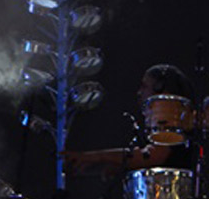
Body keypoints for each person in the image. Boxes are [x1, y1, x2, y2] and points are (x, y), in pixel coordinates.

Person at [64, 64, 194, 175]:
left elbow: (152, 155)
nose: (139, 92)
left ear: (160, 89)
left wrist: (96, 157)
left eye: (144, 86)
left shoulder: (172, 122)